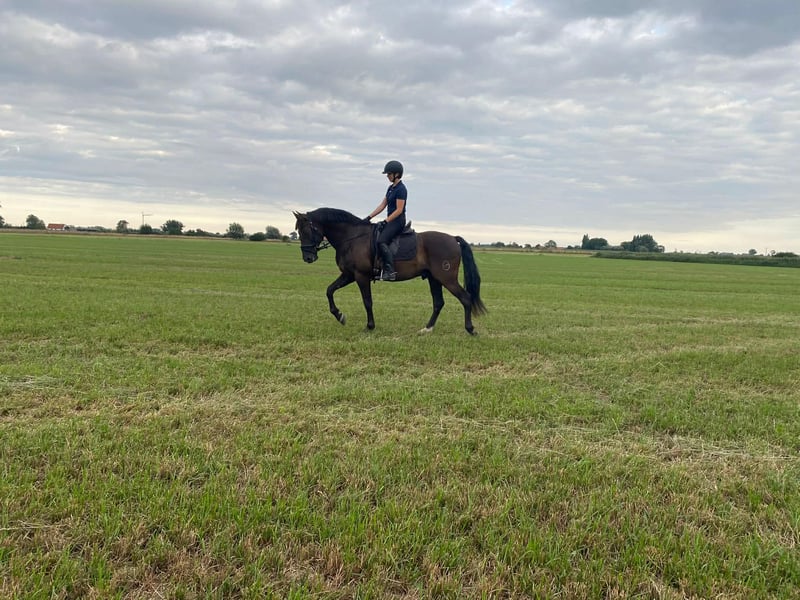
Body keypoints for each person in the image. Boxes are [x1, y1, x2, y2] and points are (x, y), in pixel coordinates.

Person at [366, 160, 407, 281]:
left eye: (389, 174)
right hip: (391, 221)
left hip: (398, 221)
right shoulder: (390, 188)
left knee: (381, 241)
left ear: (396, 174)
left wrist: (385, 221)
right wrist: (369, 217)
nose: (387, 176)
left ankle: (390, 271)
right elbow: (383, 205)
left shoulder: (401, 189)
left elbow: (399, 210)